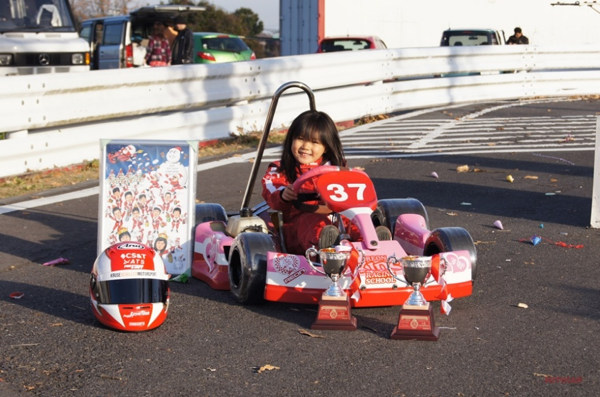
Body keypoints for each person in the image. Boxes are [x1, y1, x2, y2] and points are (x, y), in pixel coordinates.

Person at [261, 110, 391, 254]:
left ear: (326, 147)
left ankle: (375, 247)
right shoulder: (280, 169)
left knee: (357, 226)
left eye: (314, 142)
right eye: (300, 138)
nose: (305, 146)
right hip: (298, 223)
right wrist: (283, 194)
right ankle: (327, 256)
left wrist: (353, 178)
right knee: (315, 227)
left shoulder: (337, 169)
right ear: (291, 139)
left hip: (341, 218)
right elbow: (270, 189)